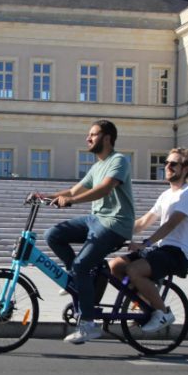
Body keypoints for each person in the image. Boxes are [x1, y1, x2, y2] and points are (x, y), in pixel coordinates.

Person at [35, 119, 135, 344]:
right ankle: (79, 278)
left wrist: (71, 201)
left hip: (115, 223)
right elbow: (72, 190)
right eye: (88, 134)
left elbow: (104, 188)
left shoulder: (118, 161)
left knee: (82, 264)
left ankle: (89, 324)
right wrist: (45, 196)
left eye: (93, 134)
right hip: (96, 220)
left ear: (107, 138)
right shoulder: (96, 166)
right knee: (53, 234)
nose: (87, 138)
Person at [109, 148, 188, 333]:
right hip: (162, 249)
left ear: (185, 168)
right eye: (166, 163)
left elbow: (170, 225)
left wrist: (146, 244)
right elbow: (144, 222)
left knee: (134, 270)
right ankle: (145, 306)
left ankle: (163, 312)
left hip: (179, 252)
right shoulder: (166, 195)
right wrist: (114, 230)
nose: (167, 166)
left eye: (173, 163)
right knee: (115, 266)